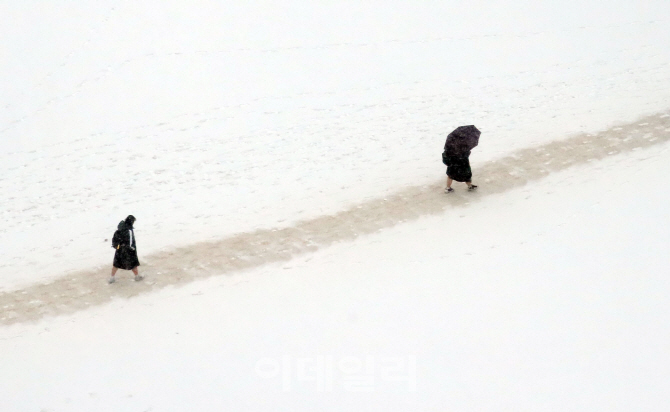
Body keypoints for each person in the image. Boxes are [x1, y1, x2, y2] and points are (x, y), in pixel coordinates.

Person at [109, 215, 142, 283]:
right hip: (128, 251)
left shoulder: (120, 228)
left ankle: (112, 278)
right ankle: (137, 276)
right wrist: (132, 249)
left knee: (116, 264)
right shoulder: (129, 230)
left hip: (119, 249)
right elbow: (130, 242)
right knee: (133, 264)